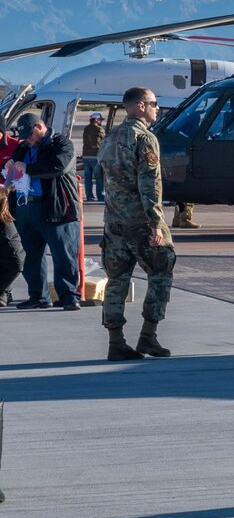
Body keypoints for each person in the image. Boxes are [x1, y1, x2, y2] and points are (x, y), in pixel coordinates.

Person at [97, 87, 176, 360]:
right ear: (140, 106)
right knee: (162, 270)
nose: (157, 108)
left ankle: (115, 342)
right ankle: (148, 336)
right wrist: (156, 223)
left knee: (116, 280)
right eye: (154, 103)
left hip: (113, 222)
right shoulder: (145, 138)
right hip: (140, 221)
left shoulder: (109, 138)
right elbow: (149, 184)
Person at [8, 111, 83, 310]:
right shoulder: (24, 147)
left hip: (56, 208)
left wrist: (27, 168)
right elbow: (15, 163)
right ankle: (38, 296)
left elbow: (57, 166)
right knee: (31, 256)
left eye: (30, 136)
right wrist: (10, 166)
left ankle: (68, 296)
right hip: (28, 208)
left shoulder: (61, 144)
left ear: (39, 127)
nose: (28, 142)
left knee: (64, 255)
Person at [80, 112, 106, 202]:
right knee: (99, 178)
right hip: (95, 156)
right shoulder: (99, 129)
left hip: (86, 156)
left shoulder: (86, 128)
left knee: (87, 178)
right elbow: (104, 141)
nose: (100, 122)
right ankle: (100, 197)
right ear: (96, 120)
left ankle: (89, 197)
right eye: (100, 120)